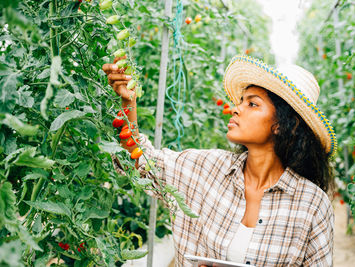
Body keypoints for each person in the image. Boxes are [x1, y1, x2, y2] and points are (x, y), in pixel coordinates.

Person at [102, 54, 337, 267]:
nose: (236, 109)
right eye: (241, 101)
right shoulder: (205, 168)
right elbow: (140, 160)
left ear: (282, 125)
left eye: (252, 104)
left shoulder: (311, 205)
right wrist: (128, 103)